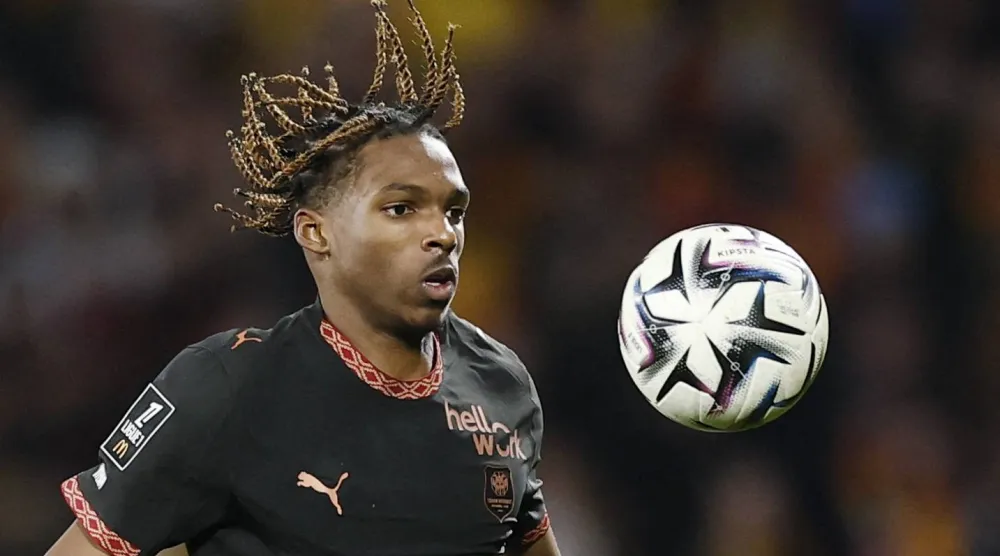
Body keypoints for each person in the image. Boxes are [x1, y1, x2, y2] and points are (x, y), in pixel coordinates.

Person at [45, 1, 560, 555]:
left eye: (453, 211)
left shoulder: (502, 386)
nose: (442, 234)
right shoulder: (227, 387)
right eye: (401, 209)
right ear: (317, 233)